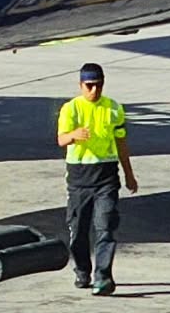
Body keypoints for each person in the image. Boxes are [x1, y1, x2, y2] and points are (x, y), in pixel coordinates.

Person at [55, 62, 137, 295]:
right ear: (80, 85)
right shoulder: (71, 109)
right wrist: (74, 135)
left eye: (98, 86)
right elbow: (61, 140)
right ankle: (82, 270)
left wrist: (129, 174)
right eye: (89, 86)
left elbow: (121, 143)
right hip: (80, 178)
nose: (94, 91)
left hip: (106, 176)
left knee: (106, 226)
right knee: (79, 230)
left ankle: (103, 277)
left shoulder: (113, 108)